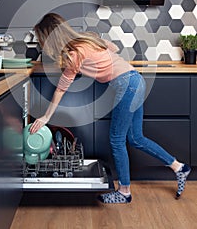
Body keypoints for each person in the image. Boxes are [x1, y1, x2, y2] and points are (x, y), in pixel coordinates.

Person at [30, 13, 191, 204]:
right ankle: (179, 167)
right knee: (136, 138)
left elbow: (61, 89)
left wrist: (46, 117)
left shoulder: (74, 56)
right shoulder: (88, 39)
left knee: (116, 140)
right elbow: (114, 48)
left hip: (126, 85)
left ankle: (124, 191)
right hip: (135, 79)